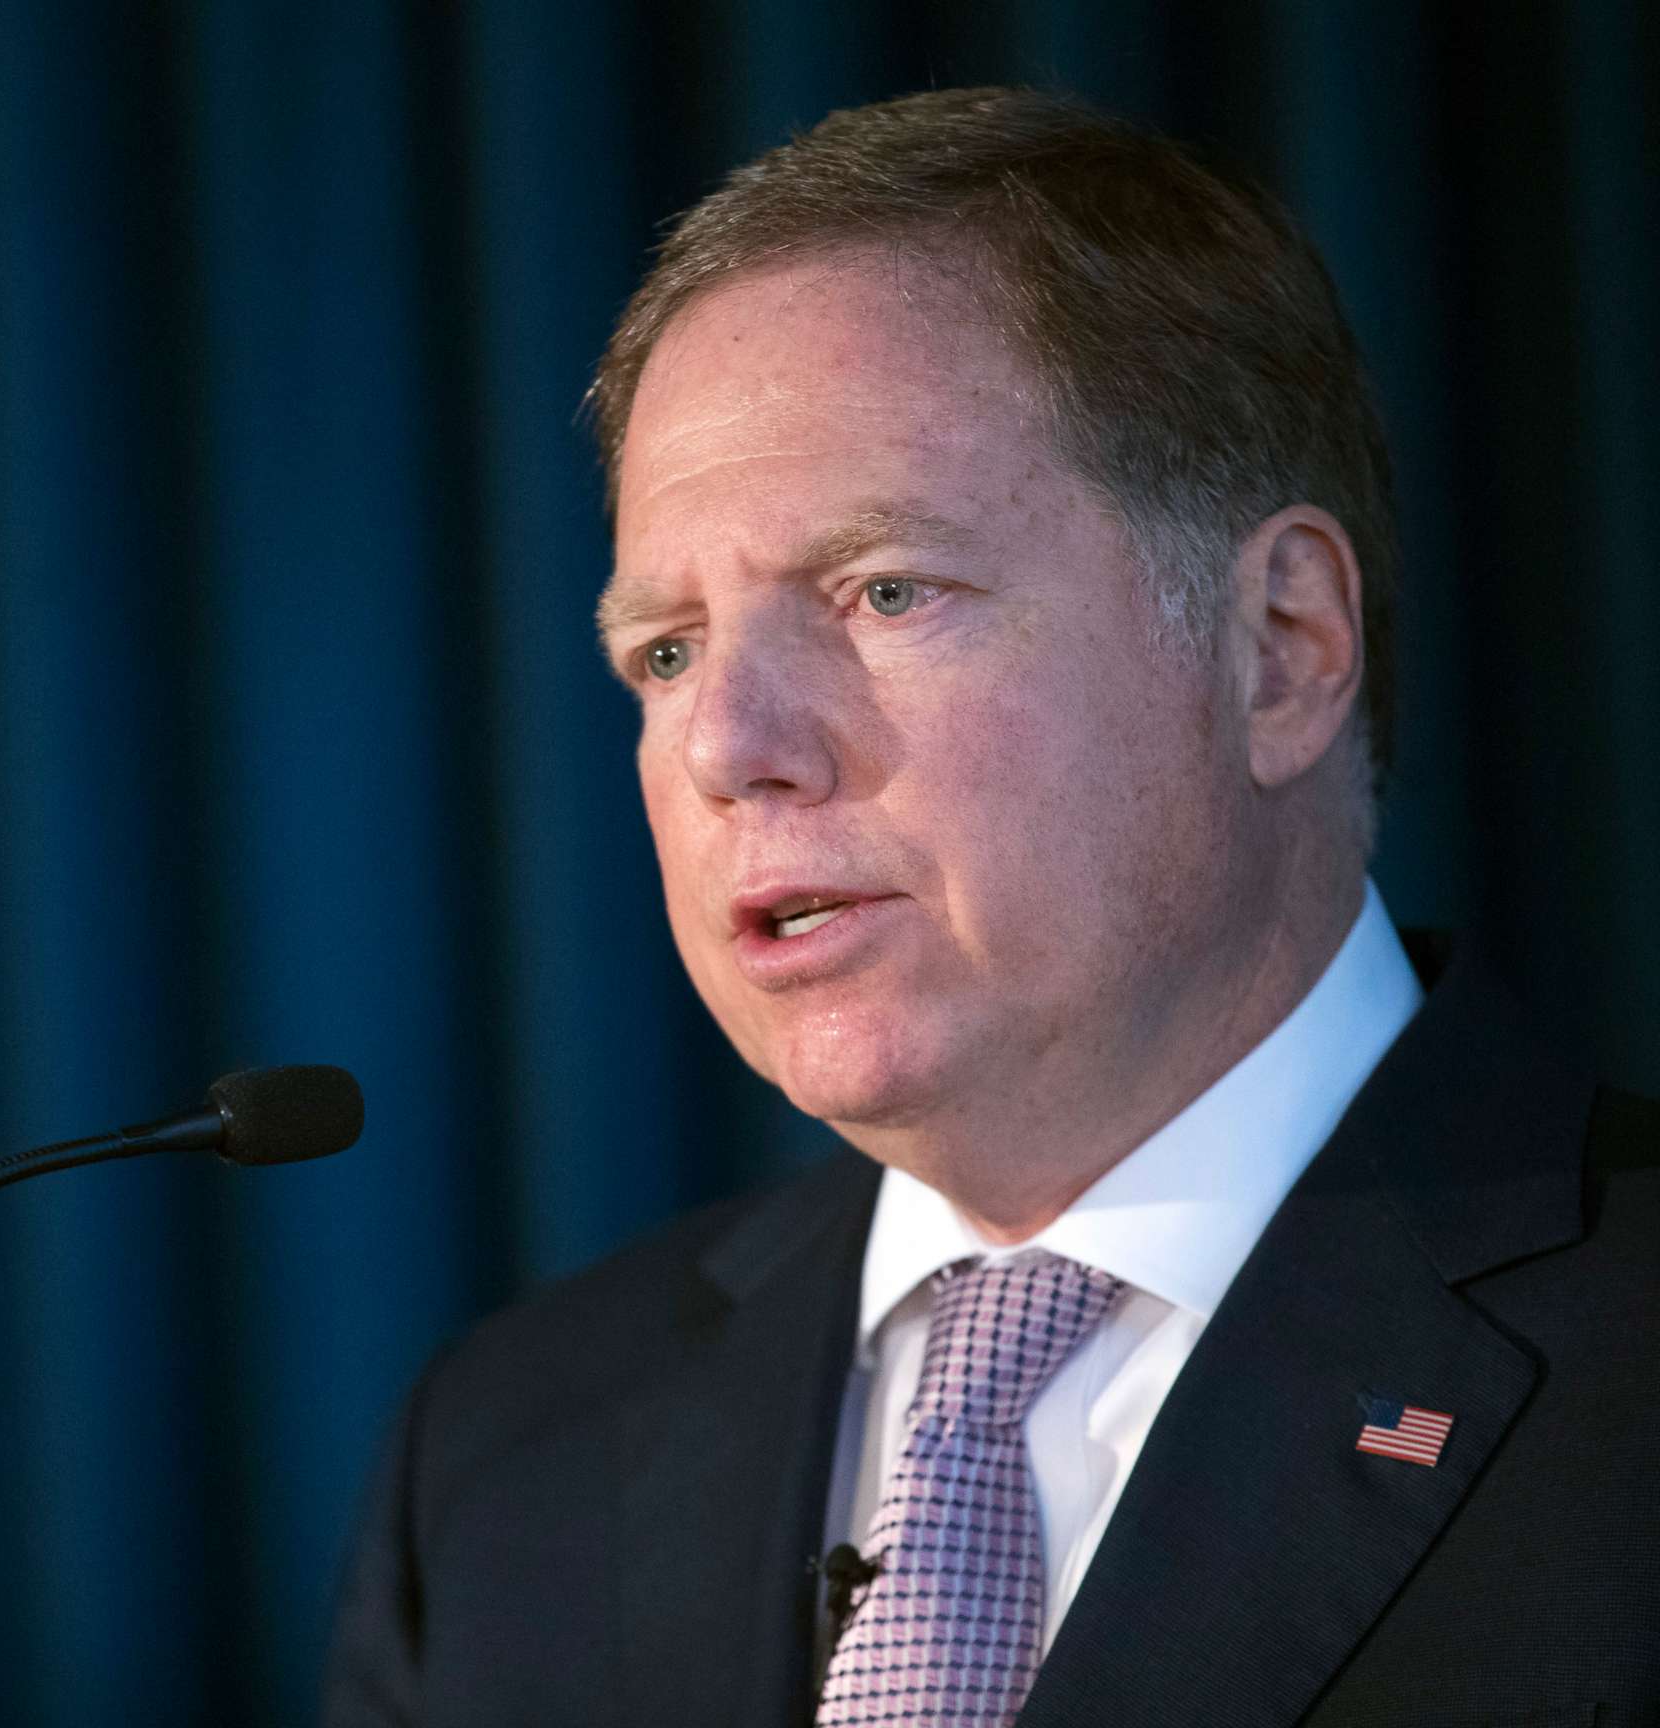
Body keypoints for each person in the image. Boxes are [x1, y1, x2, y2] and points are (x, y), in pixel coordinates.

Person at [321, 87, 1660, 1728]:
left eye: (886, 590)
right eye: (663, 649)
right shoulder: (497, 1465)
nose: (731, 747)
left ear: (1284, 647)